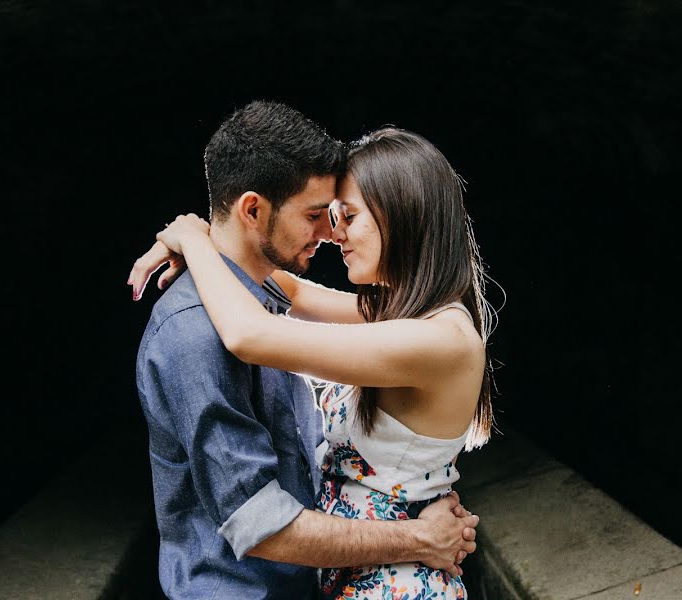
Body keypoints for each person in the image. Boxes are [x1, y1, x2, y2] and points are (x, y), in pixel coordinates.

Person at [129, 101, 479, 600]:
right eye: (319, 215)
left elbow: (253, 331)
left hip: (388, 580)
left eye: (344, 216)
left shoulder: (433, 333)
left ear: (401, 219)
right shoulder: (201, 330)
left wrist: (195, 238)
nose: (332, 234)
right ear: (253, 210)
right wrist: (197, 236)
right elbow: (282, 291)